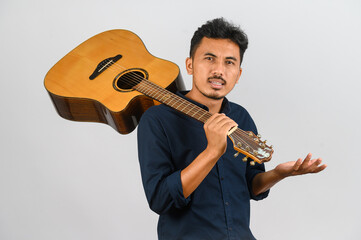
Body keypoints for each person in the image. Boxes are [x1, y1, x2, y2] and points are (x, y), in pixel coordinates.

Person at [137, 18, 327, 240]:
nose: (219, 70)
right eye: (209, 58)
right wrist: (212, 152)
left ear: (238, 74)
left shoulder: (240, 117)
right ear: (189, 65)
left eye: (229, 62)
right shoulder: (157, 118)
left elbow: (250, 185)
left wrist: (278, 174)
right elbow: (160, 199)